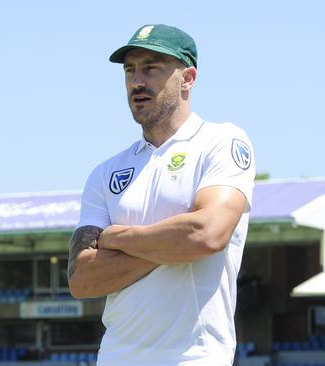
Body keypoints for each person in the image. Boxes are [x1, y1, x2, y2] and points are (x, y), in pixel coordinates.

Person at [67, 24, 255, 365]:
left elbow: (206, 234)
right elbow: (82, 279)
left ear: (188, 78)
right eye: (130, 70)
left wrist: (116, 238)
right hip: (116, 357)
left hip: (194, 357)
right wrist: (174, 245)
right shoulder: (106, 172)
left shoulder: (222, 141)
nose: (137, 81)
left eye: (151, 68)